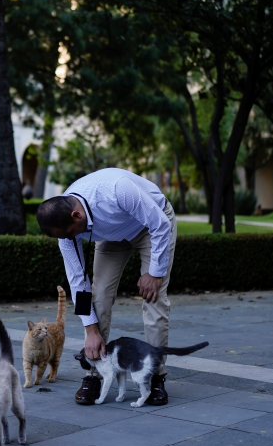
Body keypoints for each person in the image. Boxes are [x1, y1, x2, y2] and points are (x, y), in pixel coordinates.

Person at [36, 168, 177, 405]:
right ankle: (94, 372)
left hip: (152, 226)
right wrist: (91, 330)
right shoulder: (65, 230)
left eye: (70, 235)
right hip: (111, 235)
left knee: (154, 299)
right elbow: (78, 281)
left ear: (76, 215)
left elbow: (160, 225)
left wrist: (155, 273)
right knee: (98, 297)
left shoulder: (117, 190)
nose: (70, 240)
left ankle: (155, 377)